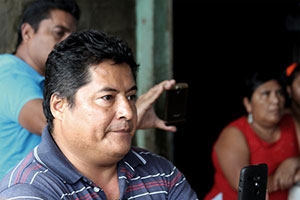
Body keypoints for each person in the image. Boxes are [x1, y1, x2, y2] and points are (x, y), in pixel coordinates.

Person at [0, 29, 198, 199]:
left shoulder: (161, 173)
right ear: (59, 106)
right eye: (107, 98)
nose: (128, 112)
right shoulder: (29, 191)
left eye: (130, 97)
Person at [0, 0, 176, 180]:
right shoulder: (8, 74)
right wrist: (128, 117)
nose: (67, 40)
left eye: (130, 96)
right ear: (27, 32)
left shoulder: (48, 77)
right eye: (59, 32)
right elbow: (52, 123)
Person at [204, 69, 300, 200]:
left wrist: (296, 161)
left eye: (279, 93)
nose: (275, 100)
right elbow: (245, 186)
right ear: (248, 104)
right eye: (266, 94)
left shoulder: (290, 121)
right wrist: (293, 177)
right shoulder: (234, 135)